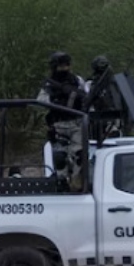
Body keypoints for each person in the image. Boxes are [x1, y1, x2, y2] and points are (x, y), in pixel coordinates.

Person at [37, 51, 86, 190]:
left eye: (66, 65)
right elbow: (40, 102)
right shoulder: (49, 84)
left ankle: (77, 181)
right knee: (59, 157)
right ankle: (62, 181)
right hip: (58, 124)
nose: (64, 69)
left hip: (77, 123)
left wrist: (77, 98)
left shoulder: (77, 80)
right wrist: (55, 99)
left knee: (80, 155)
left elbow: (86, 97)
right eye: (61, 66)